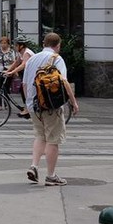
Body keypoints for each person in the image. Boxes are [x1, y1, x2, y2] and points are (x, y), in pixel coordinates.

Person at [22, 32, 80, 186]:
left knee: (40, 136)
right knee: (53, 140)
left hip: (33, 105)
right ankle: (51, 176)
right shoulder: (56, 59)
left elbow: (25, 84)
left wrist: (28, 104)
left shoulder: (31, 59)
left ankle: (34, 166)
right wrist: (73, 102)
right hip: (51, 107)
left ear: (43, 43)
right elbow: (64, 82)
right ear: (58, 45)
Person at [2, 36, 35, 118]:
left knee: (25, 90)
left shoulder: (27, 53)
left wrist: (12, 72)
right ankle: (27, 107)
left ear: (21, 46)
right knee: (23, 89)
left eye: (16, 45)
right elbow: (16, 62)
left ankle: (28, 108)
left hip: (34, 75)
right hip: (29, 75)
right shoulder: (21, 53)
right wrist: (8, 70)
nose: (15, 47)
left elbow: (23, 65)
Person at [0, 36, 16, 107]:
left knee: (6, 88)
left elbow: (14, 62)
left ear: (8, 44)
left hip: (8, 71)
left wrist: (13, 71)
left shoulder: (11, 52)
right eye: (2, 43)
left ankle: (6, 103)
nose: (3, 45)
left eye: (5, 43)